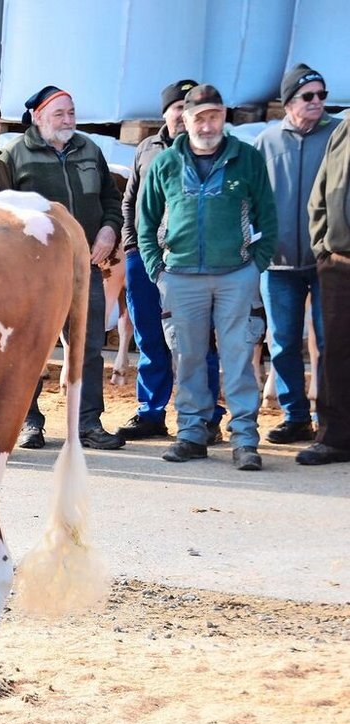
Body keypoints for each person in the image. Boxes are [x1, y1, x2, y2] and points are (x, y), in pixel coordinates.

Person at [139, 84, 278, 470]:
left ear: (224, 118)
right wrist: (158, 271)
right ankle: (191, 434)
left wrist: (255, 266)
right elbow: (145, 220)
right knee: (187, 358)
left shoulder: (246, 159)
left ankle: (245, 439)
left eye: (215, 115)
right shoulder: (165, 164)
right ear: (184, 120)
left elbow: (268, 215)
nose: (208, 124)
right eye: (199, 117)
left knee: (237, 358)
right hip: (181, 278)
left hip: (235, 275)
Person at [1, 85, 125, 450]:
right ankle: (29, 422)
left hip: (83, 268)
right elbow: (3, 213)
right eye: (59, 114)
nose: (68, 120)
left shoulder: (90, 150)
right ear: (38, 117)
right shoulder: (15, 156)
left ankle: (87, 424)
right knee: (31, 348)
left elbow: (111, 200)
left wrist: (108, 230)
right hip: (35, 275)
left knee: (87, 348)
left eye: (71, 112)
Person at [115, 79, 227, 443]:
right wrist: (132, 248)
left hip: (192, 264)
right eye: (177, 108)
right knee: (150, 338)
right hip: (146, 261)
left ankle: (207, 416)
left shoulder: (210, 150)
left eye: (188, 107)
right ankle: (151, 412)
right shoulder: (147, 148)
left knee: (197, 341)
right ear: (165, 113)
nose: (183, 115)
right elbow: (130, 201)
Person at [253, 63, 341, 445]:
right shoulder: (266, 143)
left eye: (322, 96)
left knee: (331, 341)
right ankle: (295, 417)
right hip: (278, 263)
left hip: (330, 261)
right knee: (283, 341)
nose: (318, 102)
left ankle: (333, 420)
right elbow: (251, 200)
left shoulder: (338, 135)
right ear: (289, 103)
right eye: (309, 97)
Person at [302, 111, 350, 464]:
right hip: (340, 263)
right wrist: (323, 247)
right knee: (336, 352)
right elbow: (320, 191)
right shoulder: (344, 128)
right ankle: (334, 438)